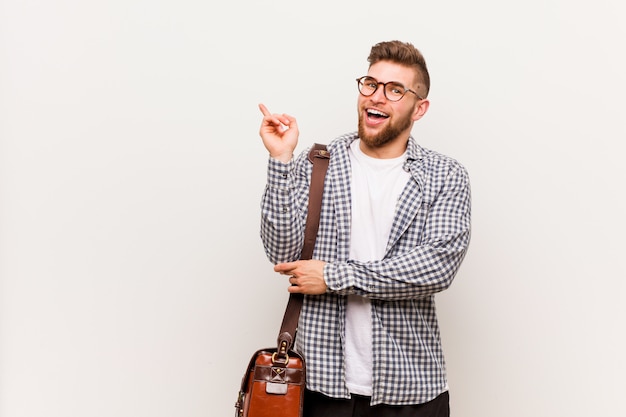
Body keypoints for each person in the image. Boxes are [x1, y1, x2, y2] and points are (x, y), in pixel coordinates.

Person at [257, 40, 471, 417]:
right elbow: (283, 253)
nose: (377, 97)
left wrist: (334, 276)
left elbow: (435, 268)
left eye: (395, 90)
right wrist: (281, 161)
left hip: (411, 389)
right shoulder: (318, 163)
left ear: (419, 108)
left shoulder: (444, 176)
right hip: (322, 387)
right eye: (370, 84)